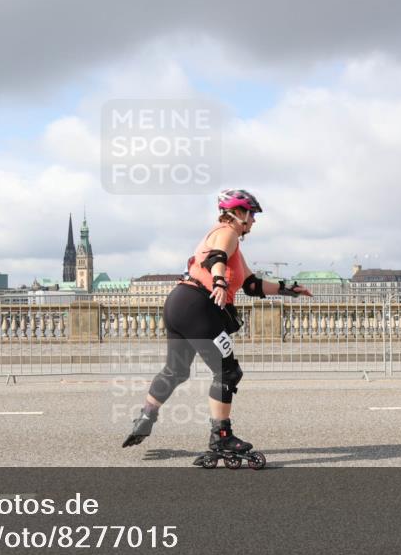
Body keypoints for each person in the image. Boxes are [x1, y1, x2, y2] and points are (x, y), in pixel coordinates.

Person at [122, 189, 313, 463]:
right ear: (239, 214)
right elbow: (216, 257)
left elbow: (252, 285)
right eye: (252, 215)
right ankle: (221, 436)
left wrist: (288, 288)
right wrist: (220, 282)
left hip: (179, 303)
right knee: (228, 371)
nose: (254, 222)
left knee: (176, 370)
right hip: (198, 305)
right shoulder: (227, 232)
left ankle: (145, 416)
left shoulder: (230, 242)